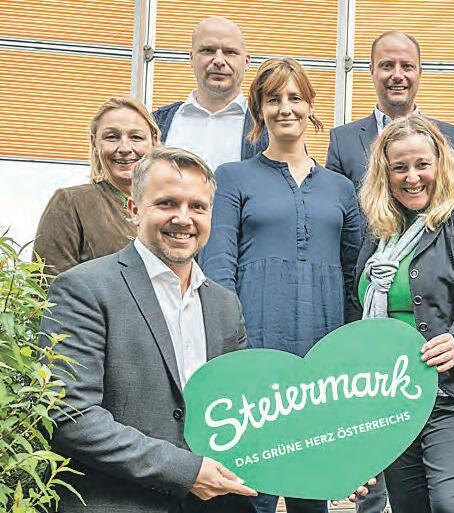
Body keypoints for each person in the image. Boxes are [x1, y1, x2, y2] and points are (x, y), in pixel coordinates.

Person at [42, 147, 257, 513]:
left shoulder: (225, 305)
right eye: (167, 203)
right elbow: (70, 415)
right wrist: (185, 472)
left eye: (197, 206)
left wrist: (333, 460)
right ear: (135, 209)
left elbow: (248, 410)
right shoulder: (83, 289)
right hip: (121, 502)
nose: (183, 218)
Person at [200, 57, 362, 513]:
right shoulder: (232, 177)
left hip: (320, 362)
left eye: (295, 98)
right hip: (255, 357)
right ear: (259, 110)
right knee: (252, 491)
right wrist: (232, 354)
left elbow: (356, 278)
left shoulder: (341, 188)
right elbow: (218, 267)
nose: (285, 108)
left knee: (311, 491)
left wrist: (349, 356)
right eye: (273, 99)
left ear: (311, 106)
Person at [353, 115, 454, 513]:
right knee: (410, 504)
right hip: (393, 393)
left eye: (422, 164)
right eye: (400, 167)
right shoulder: (382, 229)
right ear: (385, 173)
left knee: (453, 503)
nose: (412, 177)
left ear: (440, 163)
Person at [326, 31, 454, 188]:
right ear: (372, 71)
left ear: (419, 72)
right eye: (387, 66)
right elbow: (335, 201)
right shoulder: (342, 142)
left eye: (407, 66)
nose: (398, 75)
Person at [35, 97, 158, 275]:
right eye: (112, 137)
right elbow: (49, 284)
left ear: (154, 141)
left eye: (136, 137)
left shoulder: (173, 206)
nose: (125, 148)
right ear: (94, 142)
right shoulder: (72, 203)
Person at [153, 17, 268, 172]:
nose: (219, 60)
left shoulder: (267, 128)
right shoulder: (157, 123)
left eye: (230, 52)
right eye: (208, 50)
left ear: (246, 61)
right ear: (191, 58)